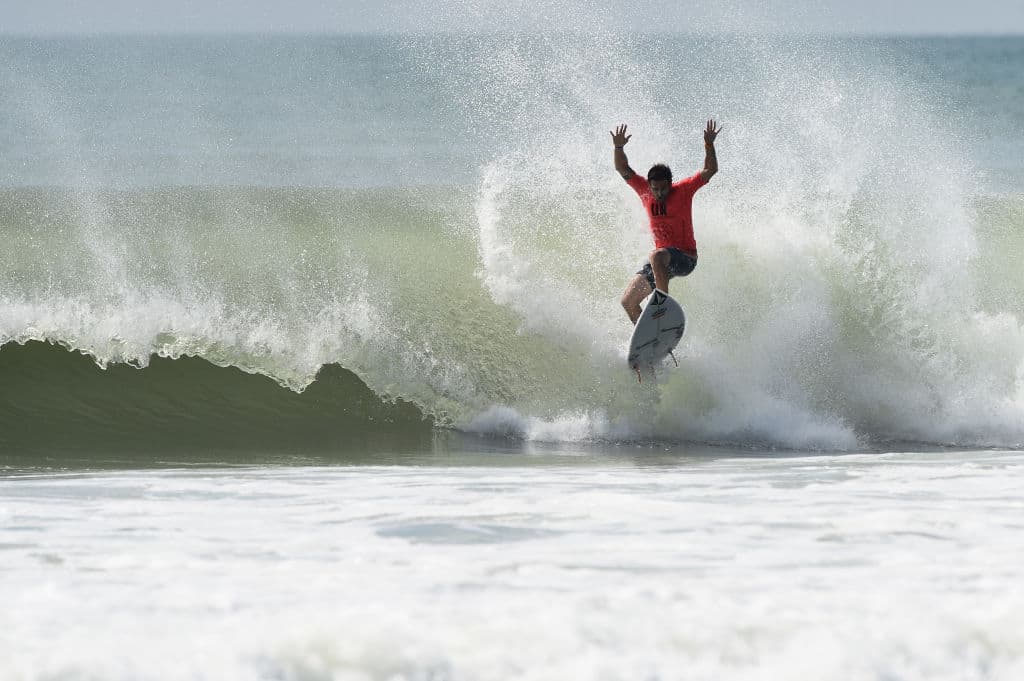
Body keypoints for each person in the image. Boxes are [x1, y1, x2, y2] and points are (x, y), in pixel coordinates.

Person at [611, 120, 721, 324]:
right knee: (628, 301)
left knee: (657, 254)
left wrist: (709, 144)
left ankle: (662, 308)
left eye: (663, 188)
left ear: (670, 184)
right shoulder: (644, 189)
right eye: (655, 189)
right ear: (650, 186)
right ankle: (652, 338)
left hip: (685, 259)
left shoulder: (684, 190)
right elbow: (622, 168)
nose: (659, 193)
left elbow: (710, 170)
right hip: (660, 264)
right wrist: (618, 147)